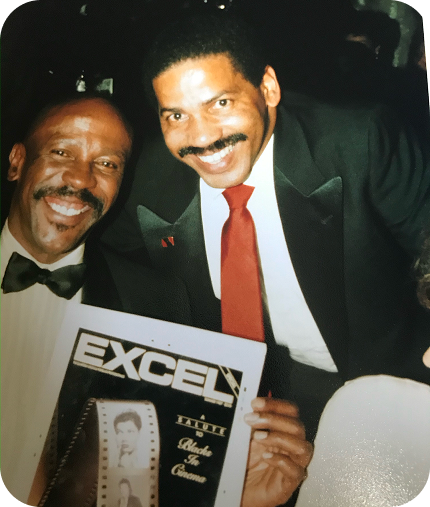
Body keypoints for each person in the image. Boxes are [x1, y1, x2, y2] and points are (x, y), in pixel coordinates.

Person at [102, 11, 430, 457]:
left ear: (268, 88)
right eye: (176, 115)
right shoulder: (148, 182)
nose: (202, 137)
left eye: (220, 103)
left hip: (379, 391)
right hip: (239, 412)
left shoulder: (360, 142)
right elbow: (99, 262)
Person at [0, 95, 191, 503]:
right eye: (61, 152)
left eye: (106, 164)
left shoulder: (157, 304)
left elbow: (159, 468)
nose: (81, 179)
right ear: (16, 162)